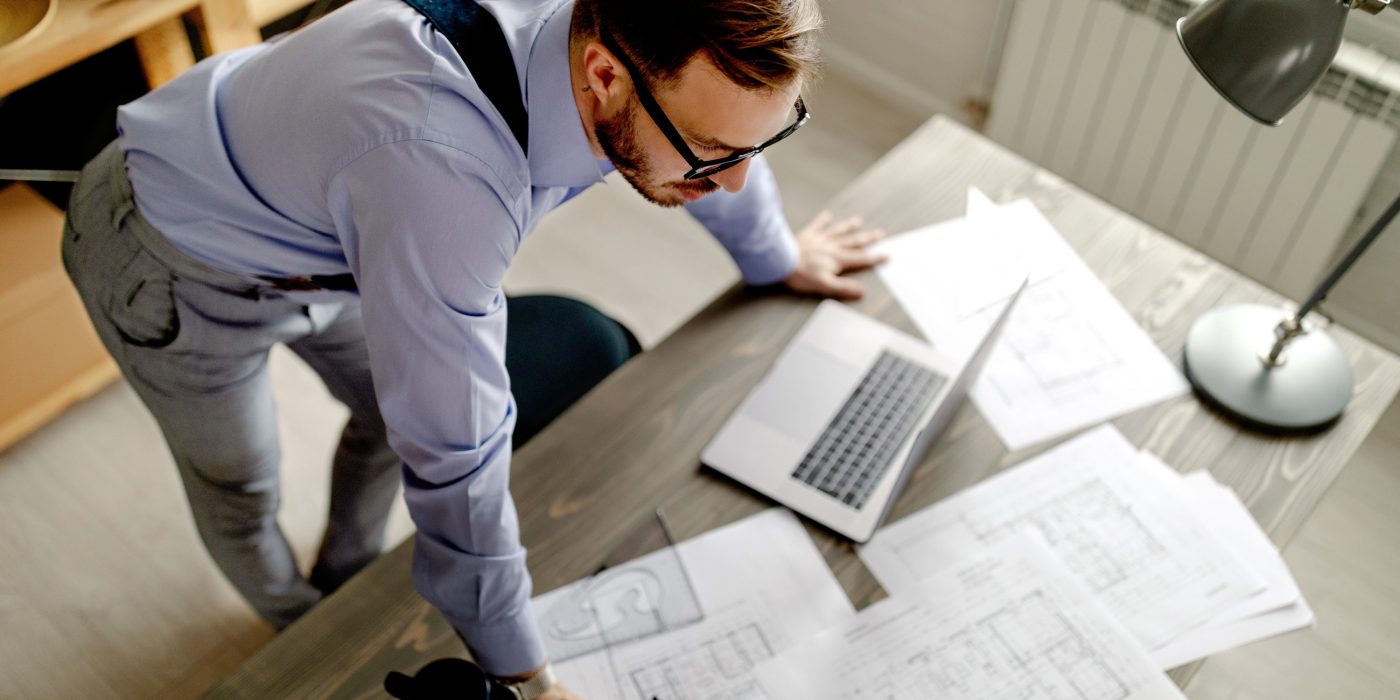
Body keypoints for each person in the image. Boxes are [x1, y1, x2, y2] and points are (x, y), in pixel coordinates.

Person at [60, 0, 885, 696]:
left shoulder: (619, 36)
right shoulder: (444, 178)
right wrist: (525, 677)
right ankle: (296, 625)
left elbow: (713, 142)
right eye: (713, 158)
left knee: (389, 416)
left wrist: (775, 256)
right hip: (166, 251)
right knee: (241, 482)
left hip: (326, 221)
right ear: (604, 75)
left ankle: (347, 574)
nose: (735, 180)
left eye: (762, 145)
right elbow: (457, 453)